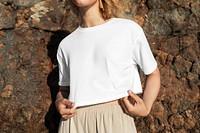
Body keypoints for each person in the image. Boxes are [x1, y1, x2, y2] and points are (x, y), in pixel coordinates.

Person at [55, 0, 160, 132]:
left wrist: (146, 107)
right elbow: (64, 90)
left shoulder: (128, 30)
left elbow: (153, 73)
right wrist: (59, 102)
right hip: (73, 122)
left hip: (115, 118)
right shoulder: (66, 44)